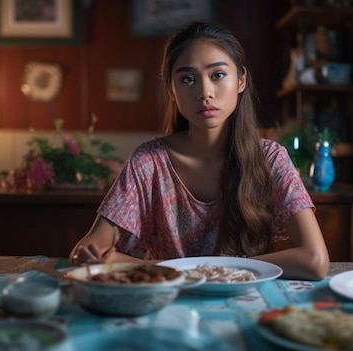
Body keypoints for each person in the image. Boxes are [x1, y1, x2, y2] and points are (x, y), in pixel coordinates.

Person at [69, 21, 330, 280]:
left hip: (245, 303)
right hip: (166, 303)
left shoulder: (270, 159)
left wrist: (203, 271)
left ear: (241, 80)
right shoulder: (149, 162)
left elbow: (315, 261)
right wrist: (91, 254)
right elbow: (89, 250)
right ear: (171, 89)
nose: (204, 92)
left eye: (217, 75)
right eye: (188, 79)